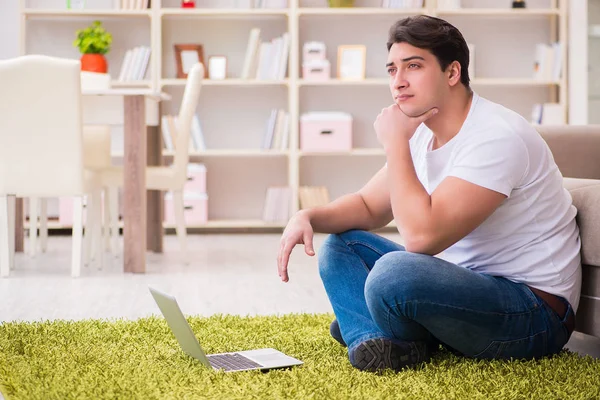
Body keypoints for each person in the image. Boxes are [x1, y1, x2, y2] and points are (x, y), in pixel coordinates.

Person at [276, 14, 581, 373]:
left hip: (534, 312)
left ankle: (376, 325)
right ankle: (376, 336)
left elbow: (422, 239)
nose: (398, 82)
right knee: (341, 247)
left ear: (452, 73)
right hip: (466, 287)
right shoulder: (422, 133)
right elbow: (368, 207)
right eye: (391, 70)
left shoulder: (496, 136)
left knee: (393, 276)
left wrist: (394, 143)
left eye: (413, 66)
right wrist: (307, 216)